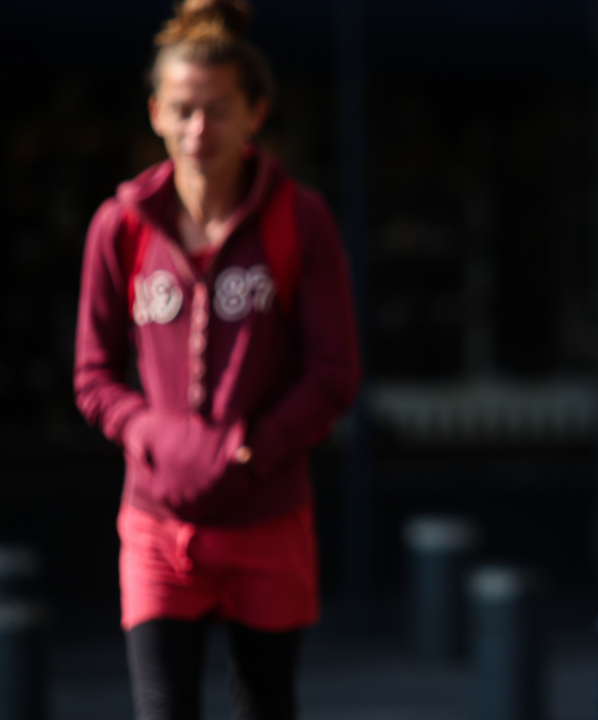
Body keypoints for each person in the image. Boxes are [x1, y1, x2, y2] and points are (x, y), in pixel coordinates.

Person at [73, 0, 360, 717]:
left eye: (220, 109)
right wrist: (163, 441)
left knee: (264, 702)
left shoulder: (300, 219)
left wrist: (250, 451)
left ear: (256, 113)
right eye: (184, 109)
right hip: (157, 525)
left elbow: (334, 372)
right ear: (155, 113)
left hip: (269, 520)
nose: (200, 129)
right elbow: (93, 376)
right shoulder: (120, 227)